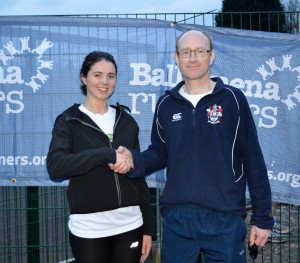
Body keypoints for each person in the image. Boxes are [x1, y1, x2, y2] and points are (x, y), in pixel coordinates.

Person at [111, 30, 274, 262]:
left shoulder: (233, 100)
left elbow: (253, 160)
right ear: (177, 58)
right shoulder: (166, 104)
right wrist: (133, 160)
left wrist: (262, 218)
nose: (193, 58)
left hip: (224, 218)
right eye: (186, 52)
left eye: (200, 51)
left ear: (212, 56)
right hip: (178, 220)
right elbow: (159, 153)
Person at [46, 51, 155, 263]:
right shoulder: (68, 121)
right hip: (88, 229)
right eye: (97, 75)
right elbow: (55, 167)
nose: (104, 82)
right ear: (84, 78)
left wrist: (148, 229)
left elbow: (139, 177)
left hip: (131, 224)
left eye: (111, 76)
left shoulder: (127, 121)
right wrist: (106, 154)